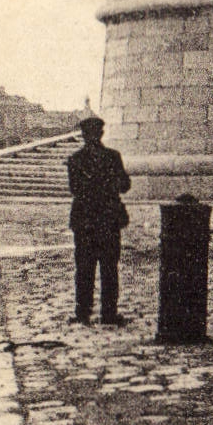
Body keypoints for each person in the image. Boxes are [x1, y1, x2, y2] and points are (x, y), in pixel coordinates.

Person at [67, 115, 131, 326]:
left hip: (85, 220)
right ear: (101, 134)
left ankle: (83, 312)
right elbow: (124, 185)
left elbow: (75, 189)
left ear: (84, 136)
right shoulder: (113, 157)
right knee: (109, 267)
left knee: (84, 267)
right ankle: (109, 314)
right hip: (108, 219)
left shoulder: (75, 160)